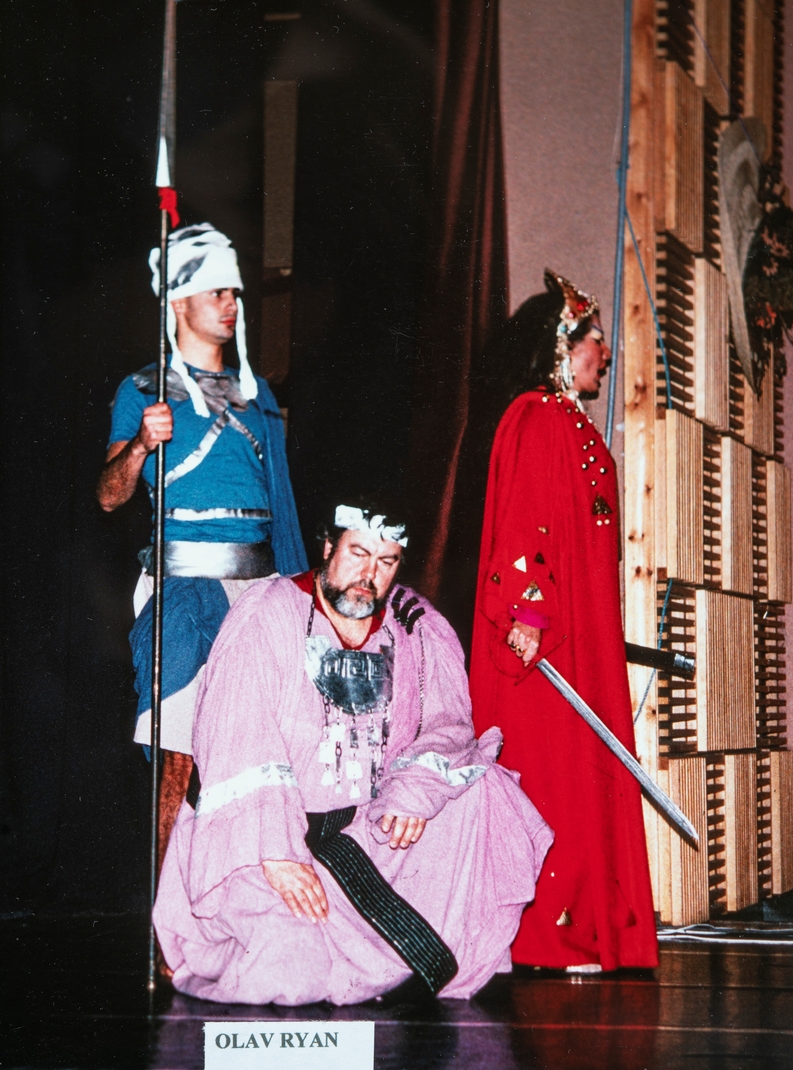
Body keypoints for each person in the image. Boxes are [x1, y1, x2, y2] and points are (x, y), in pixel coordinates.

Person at [153, 500, 553, 1005]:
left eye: (386, 562)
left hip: (362, 829)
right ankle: (360, 963)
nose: (369, 575)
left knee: (483, 793)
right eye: (358, 554)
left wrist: (413, 792)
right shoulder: (268, 610)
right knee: (290, 969)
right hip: (263, 837)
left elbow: (449, 724)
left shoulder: (415, 625)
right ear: (327, 547)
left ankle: (389, 961)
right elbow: (238, 735)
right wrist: (275, 852)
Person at [468, 271, 658, 973]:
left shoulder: (571, 422)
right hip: (544, 638)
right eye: (592, 341)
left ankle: (590, 924)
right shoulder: (535, 416)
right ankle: (546, 934)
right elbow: (523, 522)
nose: (602, 354)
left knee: (588, 772)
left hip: (586, 634)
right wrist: (526, 611)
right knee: (553, 774)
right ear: (558, 346)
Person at [97, 223, 308, 853]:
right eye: (217, 291)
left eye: (234, 294)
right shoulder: (140, 391)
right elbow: (108, 496)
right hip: (185, 585)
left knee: (262, 754)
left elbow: (285, 508)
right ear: (179, 302)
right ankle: (168, 928)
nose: (231, 304)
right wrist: (140, 444)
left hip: (262, 587)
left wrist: (300, 600)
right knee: (179, 755)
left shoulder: (257, 395)